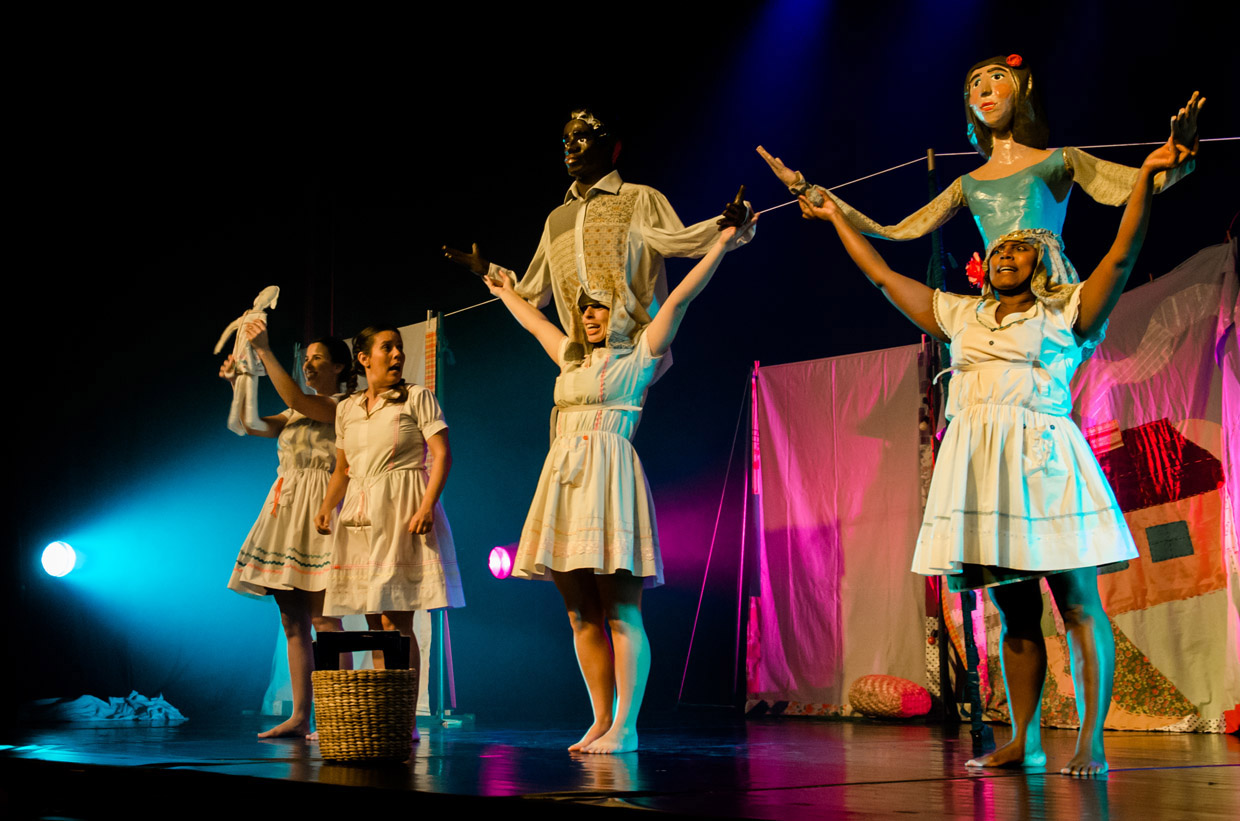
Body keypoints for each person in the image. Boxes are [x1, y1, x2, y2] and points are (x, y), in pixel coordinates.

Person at [794, 115, 1198, 776]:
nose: (1007, 254)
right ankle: (1024, 740)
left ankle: (1090, 740)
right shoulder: (962, 313)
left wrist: (1148, 179)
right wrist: (837, 216)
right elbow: (883, 278)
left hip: (1045, 464)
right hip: (982, 470)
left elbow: (1122, 256)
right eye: (1000, 250)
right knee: (1015, 612)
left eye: (1021, 249)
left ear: (1044, 261)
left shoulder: (1066, 311)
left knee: (1077, 604)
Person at [483, 200, 757, 754]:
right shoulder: (570, 360)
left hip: (610, 480)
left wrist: (721, 244)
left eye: (599, 308)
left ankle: (626, 727)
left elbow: (680, 298)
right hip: (564, 480)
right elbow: (536, 321)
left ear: (620, 312)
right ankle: (599, 719)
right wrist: (503, 289)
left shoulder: (639, 356)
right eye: (583, 309)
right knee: (579, 611)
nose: (588, 316)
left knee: (621, 610)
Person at [757, 55, 1201, 274]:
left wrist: (1176, 160)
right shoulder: (967, 183)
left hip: (1046, 282)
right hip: (997, 287)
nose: (985, 90)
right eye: (976, 84)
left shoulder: (1059, 160)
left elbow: (1135, 185)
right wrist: (806, 190)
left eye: (997, 78)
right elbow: (896, 230)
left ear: (1021, 91)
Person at [445, 107, 753, 349]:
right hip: (580, 358)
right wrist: (489, 270)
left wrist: (731, 224)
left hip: (637, 349)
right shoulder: (557, 219)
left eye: (580, 137)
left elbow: (682, 241)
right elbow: (533, 293)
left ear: (609, 146)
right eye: (565, 140)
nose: (570, 146)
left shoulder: (639, 198)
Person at [314, 324, 465, 734]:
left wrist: (426, 505)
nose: (397, 354)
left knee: (395, 621)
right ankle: (385, 711)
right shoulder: (347, 408)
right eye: (387, 348)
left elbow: (442, 455)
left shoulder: (417, 397)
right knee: (371, 620)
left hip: (401, 508)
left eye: (399, 347)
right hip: (360, 516)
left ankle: (404, 718)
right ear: (364, 358)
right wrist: (327, 506)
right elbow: (342, 468)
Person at [223, 320, 352, 738]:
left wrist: (264, 350)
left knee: (324, 618)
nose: (308, 365)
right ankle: (300, 716)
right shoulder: (294, 411)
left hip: (320, 508)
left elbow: (296, 396)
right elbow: (250, 425)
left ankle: (338, 716)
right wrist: (241, 382)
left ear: (339, 367)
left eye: (317, 359)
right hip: (285, 509)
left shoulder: (344, 407)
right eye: (306, 359)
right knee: (292, 619)